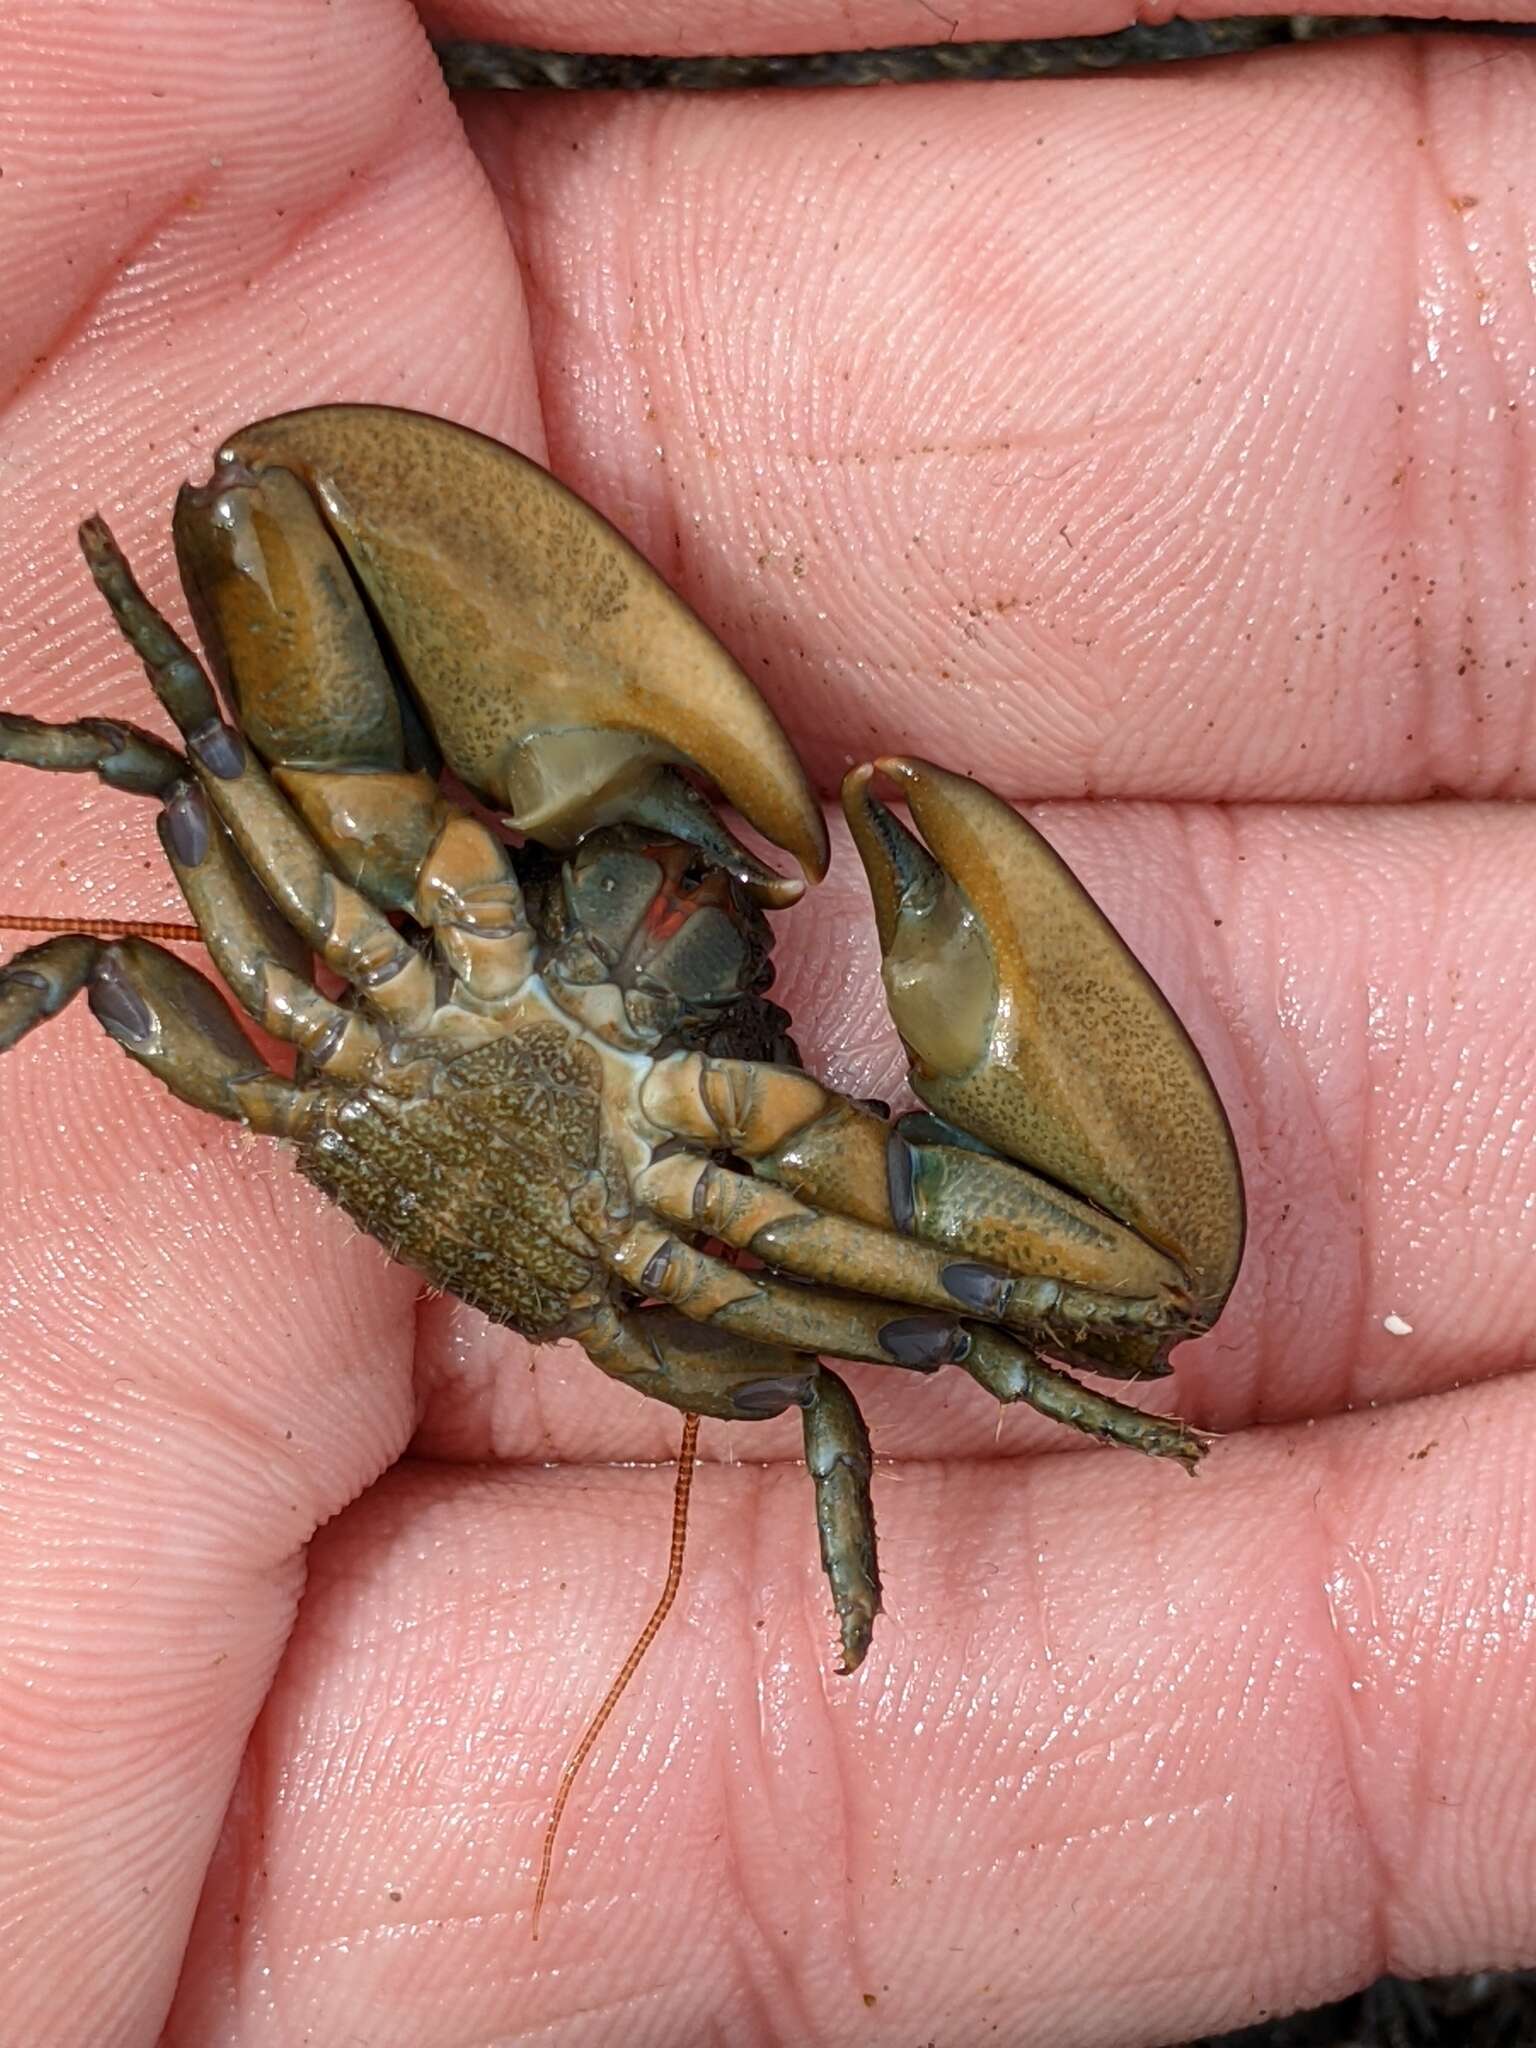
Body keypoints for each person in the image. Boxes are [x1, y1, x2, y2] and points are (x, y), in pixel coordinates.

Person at [1, 5, 1533, 2043]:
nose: (698, 893)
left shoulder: (400, 938)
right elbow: (257, 519)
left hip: (393, 1029)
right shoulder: (742, 1241)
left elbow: (221, 635)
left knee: (174, 778)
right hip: (627, 1201)